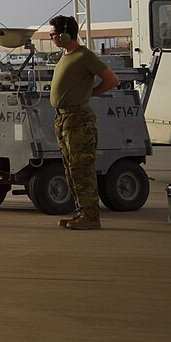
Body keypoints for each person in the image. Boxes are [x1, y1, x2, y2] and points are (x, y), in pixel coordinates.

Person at [48, 14, 117, 231]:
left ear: (66, 33)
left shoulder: (84, 56)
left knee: (82, 168)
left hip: (78, 119)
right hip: (63, 118)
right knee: (71, 169)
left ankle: (90, 215)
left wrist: (89, 94)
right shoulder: (65, 56)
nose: (51, 37)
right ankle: (82, 213)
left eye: (53, 34)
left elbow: (112, 79)